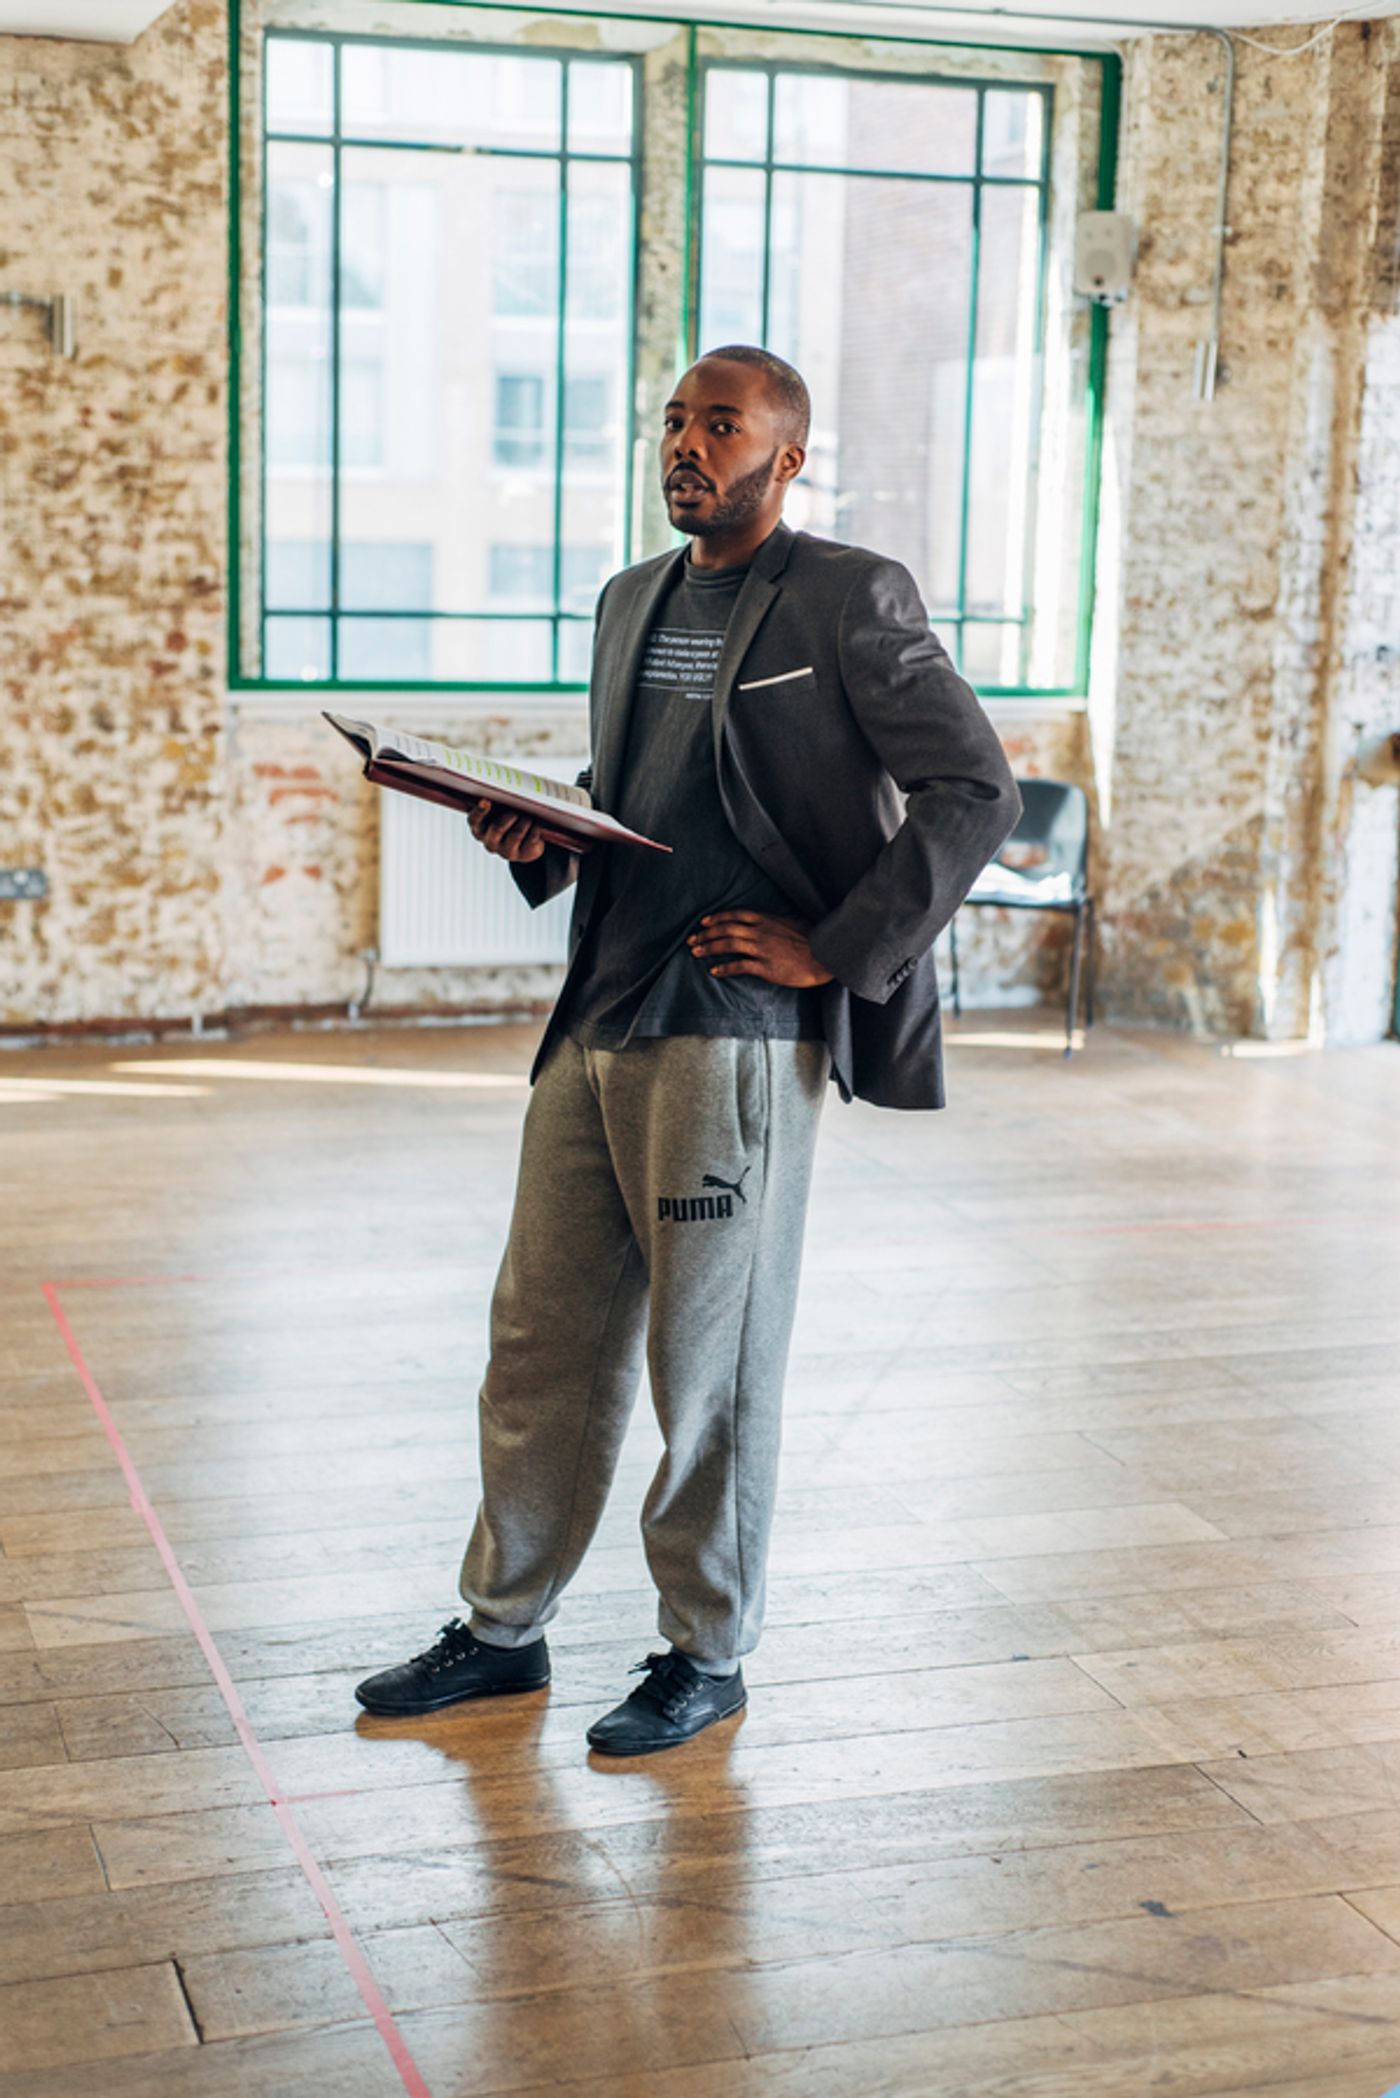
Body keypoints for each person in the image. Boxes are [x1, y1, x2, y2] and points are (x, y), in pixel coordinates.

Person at [355, 345, 1020, 1755]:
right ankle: (502, 1630)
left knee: (707, 1366)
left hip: (730, 1028)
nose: (687, 444)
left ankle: (705, 1652)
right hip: (597, 1013)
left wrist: (835, 946)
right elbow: (634, 789)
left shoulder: (849, 596)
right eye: (675, 421)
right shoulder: (628, 599)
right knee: (538, 1340)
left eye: (722, 425)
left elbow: (975, 786)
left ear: (787, 458)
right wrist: (539, 835)